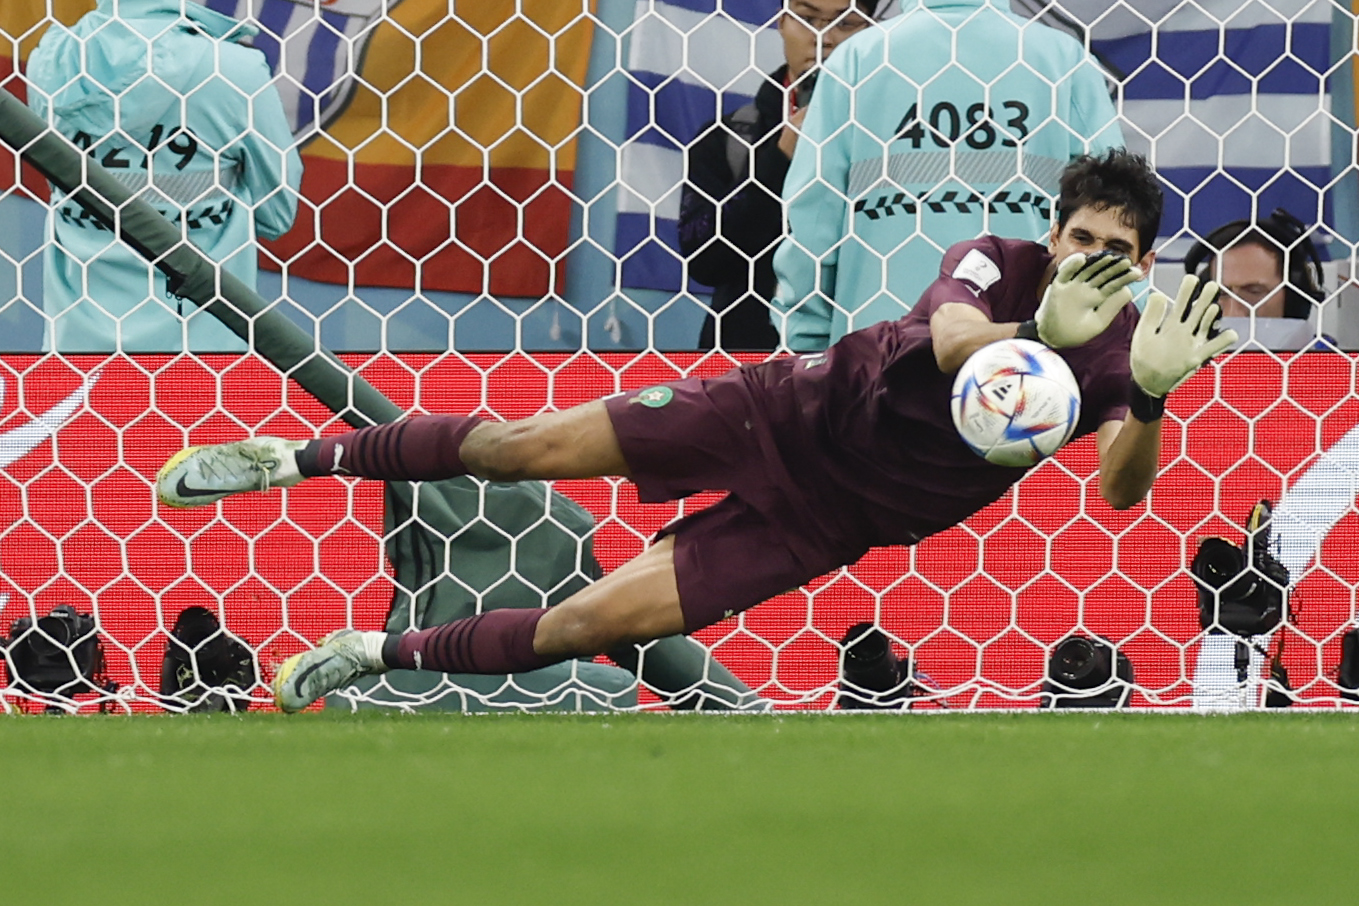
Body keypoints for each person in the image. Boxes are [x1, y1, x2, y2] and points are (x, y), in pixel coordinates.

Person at [155, 150, 1236, 713]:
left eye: (1114, 248)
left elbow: (1122, 493)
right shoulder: (1003, 262)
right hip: (786, 408)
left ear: (1144, 262)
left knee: (584, 628)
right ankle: (290, 459)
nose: (1091, 254)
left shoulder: (1134, 352)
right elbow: (954, 340)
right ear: (1056, 230)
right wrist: (1035, 331)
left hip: (833, 519)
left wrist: (1147, 397)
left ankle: (367, 652)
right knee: (518, 448)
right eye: (1078, 234)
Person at [772, 0, 1125, 352]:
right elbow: (1119, 213)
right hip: (1024, 354)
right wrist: (1121, 335)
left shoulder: (857, 60)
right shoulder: (1062, 60)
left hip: (878, 353)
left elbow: (814, 218)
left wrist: (808, 341)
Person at [25, 0, 302, 354]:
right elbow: (277, 215)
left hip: (75, 357)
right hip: (205, 361)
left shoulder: (50, 62)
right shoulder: (233, 71)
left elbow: (66, 190)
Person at [677, 0, 879, 351]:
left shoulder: (895, 137)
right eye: (807, 19)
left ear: (873, 32)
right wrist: (780, 156)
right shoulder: (731, 137)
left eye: (845, 24)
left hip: (857, 355)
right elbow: (704, 261)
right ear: (782, 22)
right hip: (744, 361)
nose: (824, 38)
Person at [1182, 208, 1327, 320]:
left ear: (1294, 298)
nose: (1234, 314)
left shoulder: (1328, 359)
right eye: (1221, 294)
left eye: (1254, 292)